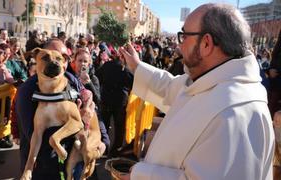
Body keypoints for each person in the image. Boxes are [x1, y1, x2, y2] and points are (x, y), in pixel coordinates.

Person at [119, 3, 274, 179]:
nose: (179, 46)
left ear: (206, 43)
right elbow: (170, 88)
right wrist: (137, 67)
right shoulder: (211, 80)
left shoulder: (235, 114)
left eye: (184, 36)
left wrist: (140, 175)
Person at [15, 39, 107, 179]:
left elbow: (92, 109)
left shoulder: (71, 78)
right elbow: (37, 137)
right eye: (47, 58)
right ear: (36, 60)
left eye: (62, 58)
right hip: (46, 168)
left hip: (76, 159)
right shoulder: (26, 91)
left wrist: (104, 141)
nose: (57, 63)